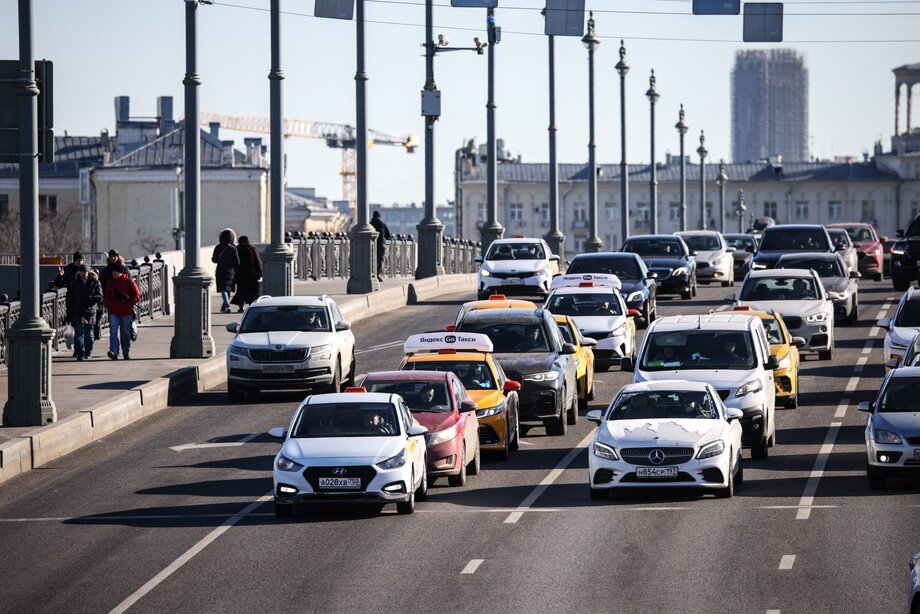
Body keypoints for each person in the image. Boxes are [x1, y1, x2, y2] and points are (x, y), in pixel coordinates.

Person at [103, 264, 141, 360]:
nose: (114, 273)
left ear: (121, 273)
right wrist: (109, 305)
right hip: (114, 312)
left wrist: (129, 304)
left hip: (126, 313)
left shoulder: (129, 282)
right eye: (113, 272)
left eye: (116, 272)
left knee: (125, 333)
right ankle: (114, 352)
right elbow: (106, 296)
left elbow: (137, 295)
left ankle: (126, 352)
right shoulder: (111, 282)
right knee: (113, 332)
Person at [66, 264, 103, 361]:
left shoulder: (95, 282)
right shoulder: (75, 282)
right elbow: (70, 297)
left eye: (84, 272)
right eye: (81, 271)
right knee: (79, 333)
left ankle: (88, 351)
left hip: (90, 311)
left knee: (89, 334)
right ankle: (80, 353)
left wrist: (91, 299)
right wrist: (70, 309)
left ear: (88, 272)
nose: (82, 274)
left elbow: (99, 296)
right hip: (78, 310)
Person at [230, 236, 263, 313]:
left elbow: (234, 263)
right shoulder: (252, 249)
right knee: (252, 292)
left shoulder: (237, 249)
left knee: (241, 291)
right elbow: (256, 263)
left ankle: (241, 307)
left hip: (241, 275)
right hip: (252, 274)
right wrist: (259, 273)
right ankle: (251, 307)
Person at [97, 250, 124, 341]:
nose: (113, 258)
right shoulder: (106, 270)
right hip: (111, 301)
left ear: (118, 257)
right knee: (113, 324)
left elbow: (130, 284)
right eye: (111, 256)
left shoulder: (123, 268)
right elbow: (101, 285)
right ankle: (114, 345)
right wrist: (103, 299)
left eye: (115, 256)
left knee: (124, 324)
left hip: (123, 300)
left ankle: (124, 343)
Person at [212, 228, 240, 313]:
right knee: (227, 288)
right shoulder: (233, 248)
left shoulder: (218, 247)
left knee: (223, 288)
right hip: (231, 272)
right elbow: (237, 262)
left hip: (220, 270)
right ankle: (226, 306)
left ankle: (226, 304)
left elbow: (214, 260)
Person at [370, 211, 391, 282]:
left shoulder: (370, 224)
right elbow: (388, 235)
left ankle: (371, 273)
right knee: (380, 260)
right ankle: (378, 274)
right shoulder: (382, 224)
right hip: (381, 244)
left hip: (371, 245)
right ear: (379, 216)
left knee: (372, 259)